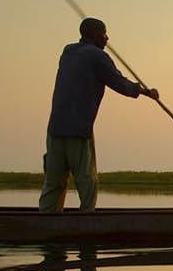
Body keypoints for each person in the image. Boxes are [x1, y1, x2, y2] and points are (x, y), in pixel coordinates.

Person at [39, 18, 159, 213]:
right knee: (87, 181)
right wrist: (147, 92)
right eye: (104, 34)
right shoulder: (97, 57)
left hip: (55, 129)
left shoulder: (68, 51)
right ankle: (87, 221)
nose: (107, 38)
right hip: (78, 129)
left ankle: (45, 221)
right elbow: (120, 84)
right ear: (94, 35)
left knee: (53, 182)